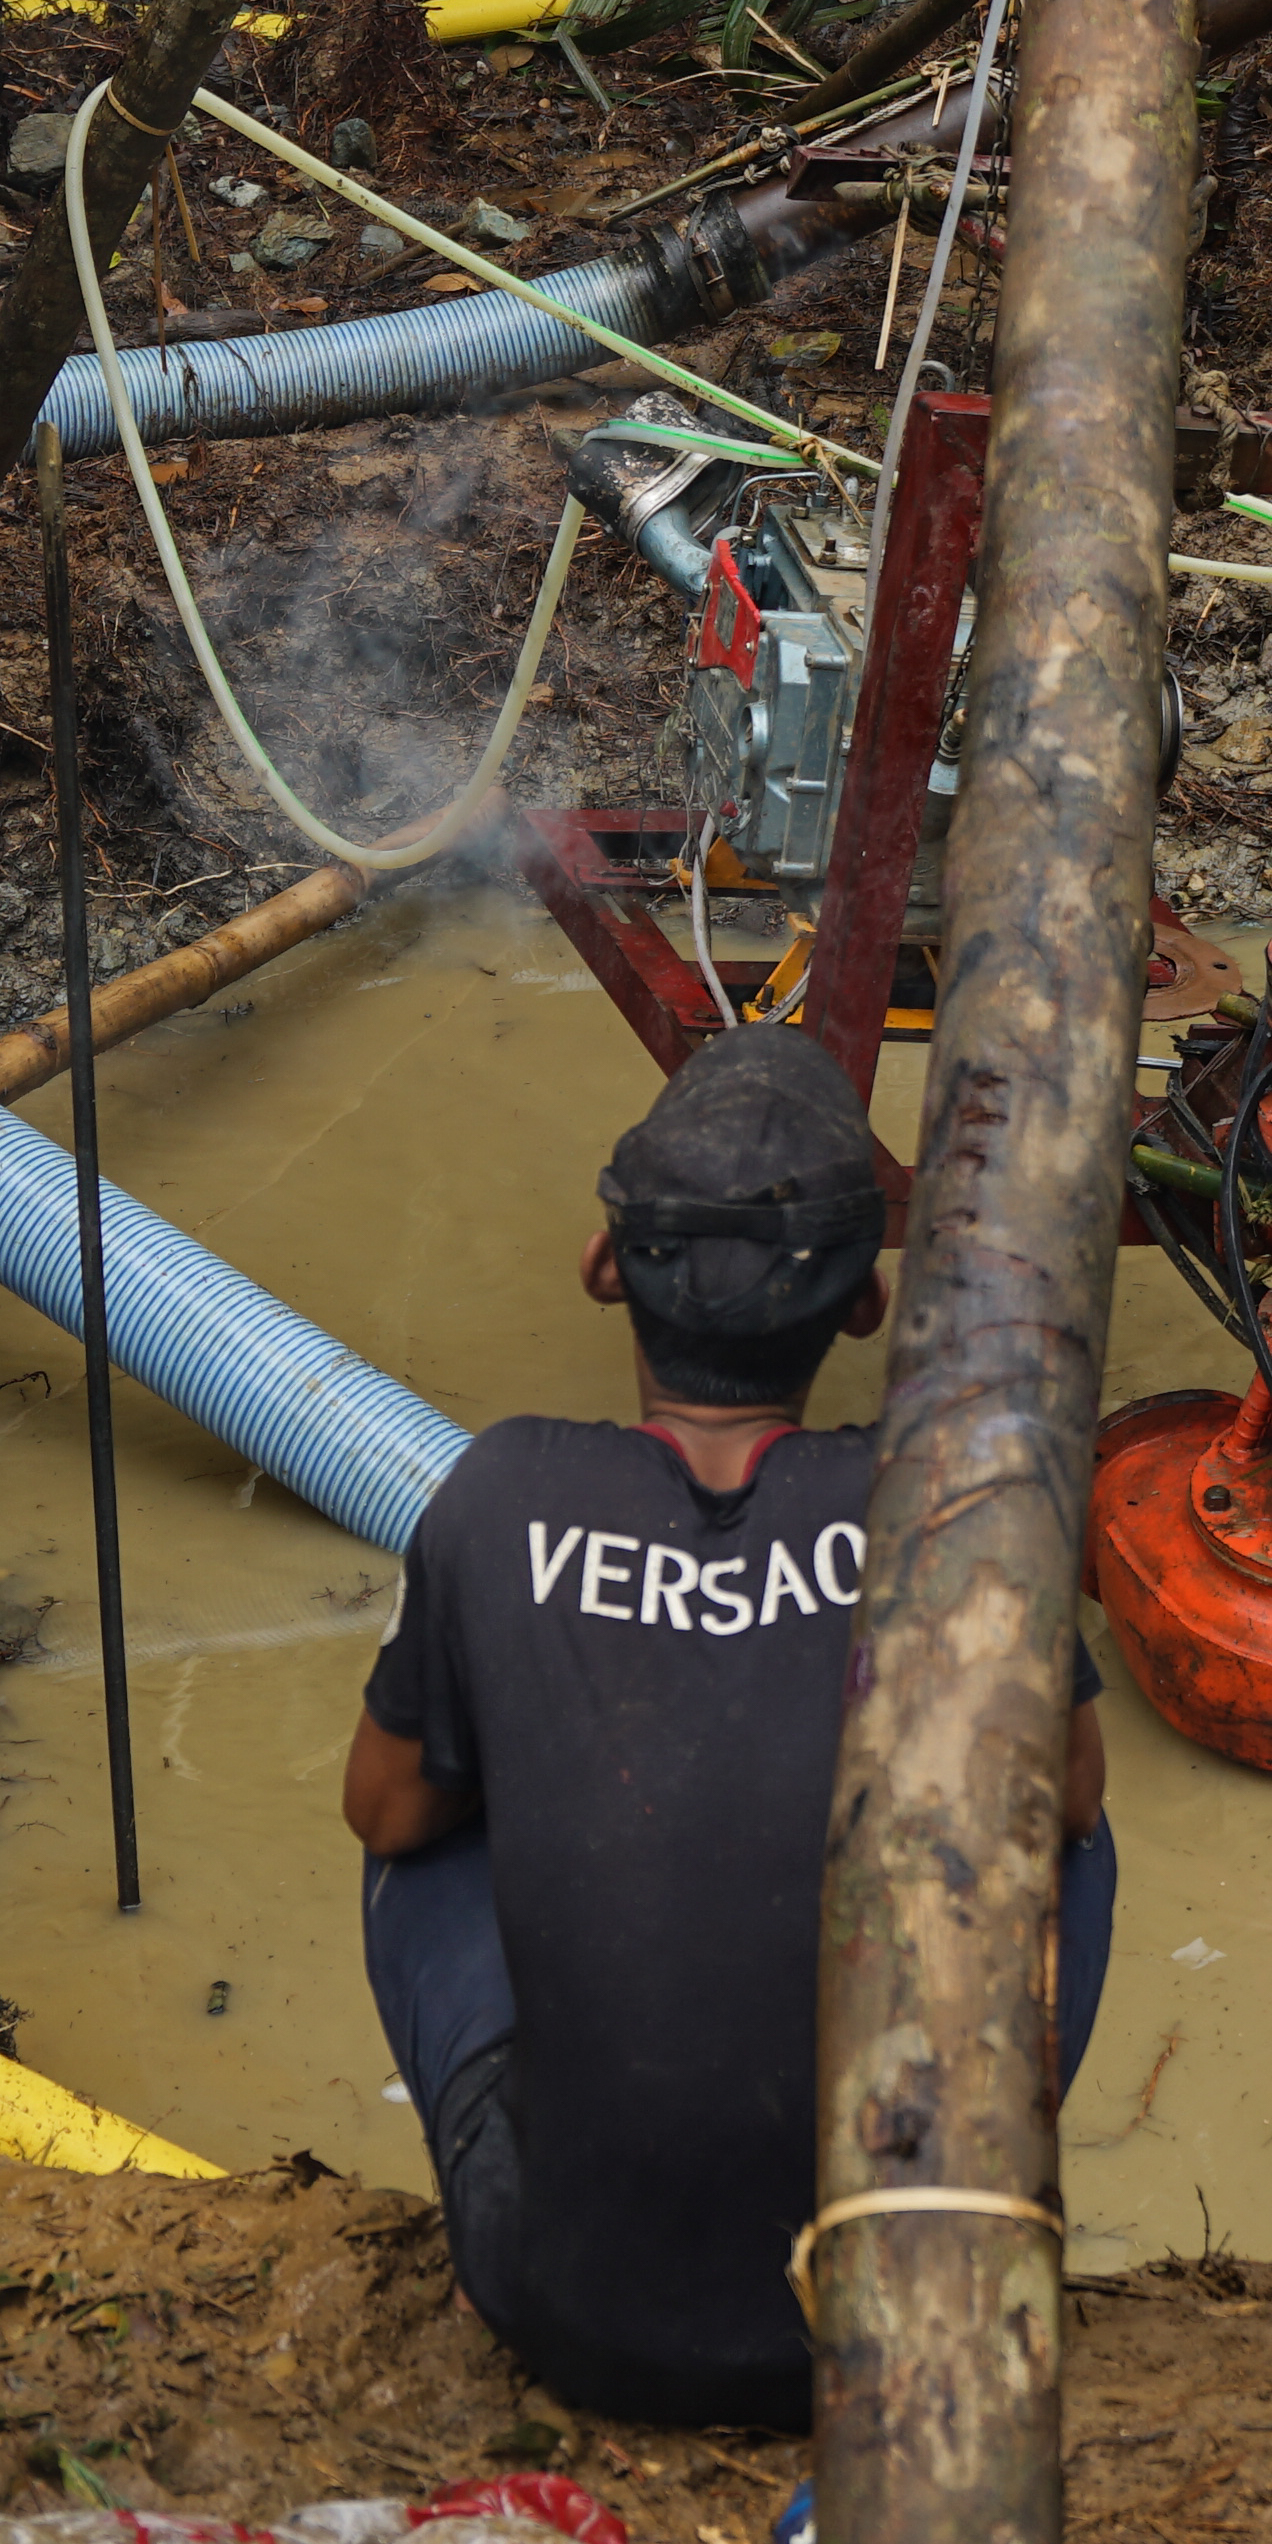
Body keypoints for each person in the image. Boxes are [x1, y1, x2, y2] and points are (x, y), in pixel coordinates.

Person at [348, 1029, 1113, 2430]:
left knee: (420, 1822)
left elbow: (386, 1814)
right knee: (1069, 1822)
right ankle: (961, 2193)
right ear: (870, 1305)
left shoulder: (498, 1490)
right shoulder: (947, 1504)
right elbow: (1064, 1799)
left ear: (599, 1266)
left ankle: (513, 2225)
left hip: (567, 2315)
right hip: (860, 2314)